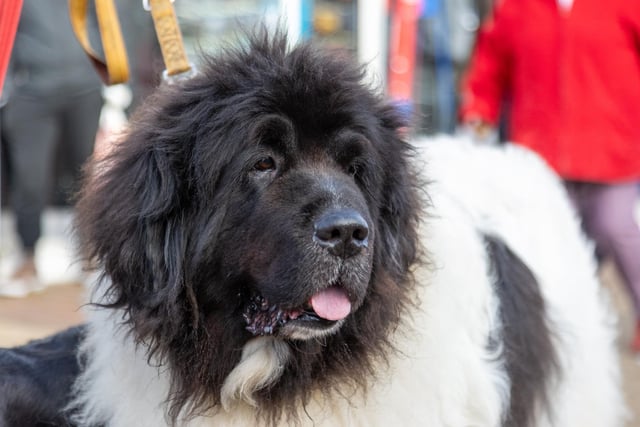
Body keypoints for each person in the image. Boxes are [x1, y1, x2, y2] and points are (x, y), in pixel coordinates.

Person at [459, 0, 640, 352]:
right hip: (540, 158)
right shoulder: (516, 8)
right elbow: (491, 64)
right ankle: (560, 327)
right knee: (549, 245)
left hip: (614, 149)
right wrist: (478, 111)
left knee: (615, 226)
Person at [0, 0, 103, 297]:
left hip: (84, 88)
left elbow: (104, 22)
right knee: (30, 179)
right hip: (30, 94)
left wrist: (107, 76)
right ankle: (28, 258)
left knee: (85, 176)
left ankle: (90, 259)